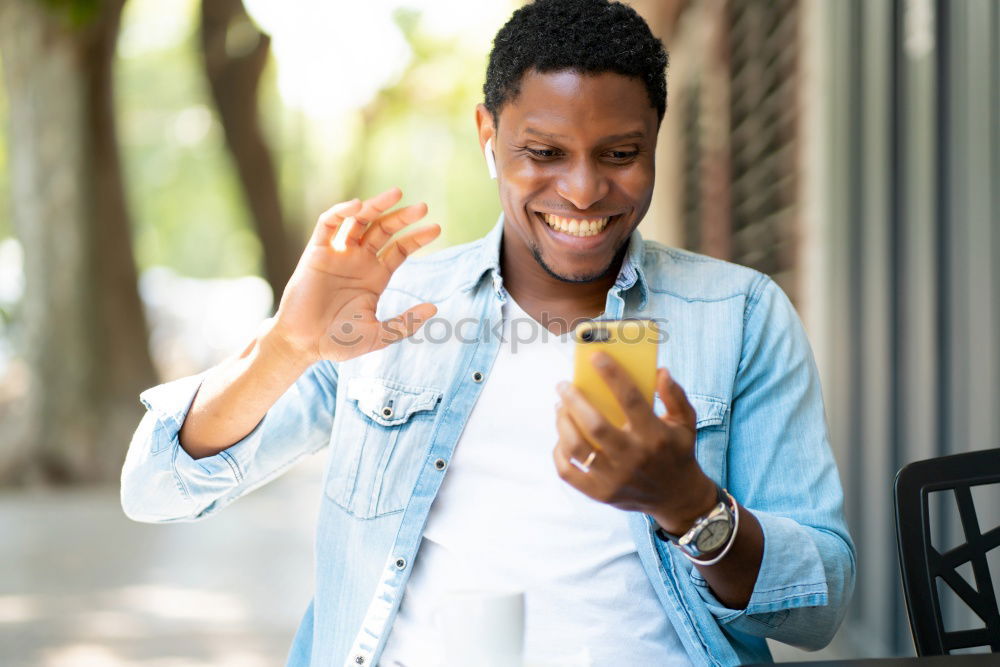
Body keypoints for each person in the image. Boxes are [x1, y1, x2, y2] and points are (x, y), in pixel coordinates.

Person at [120, 0, 856, 665]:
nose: (582, 190)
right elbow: (156, 487)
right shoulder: (396, 308)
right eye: (544, 152)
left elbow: (820, 604)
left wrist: (691, 505)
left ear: (656, 140)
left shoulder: (743, 314)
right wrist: (284, 348)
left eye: (620, 154)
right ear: (487, 133)